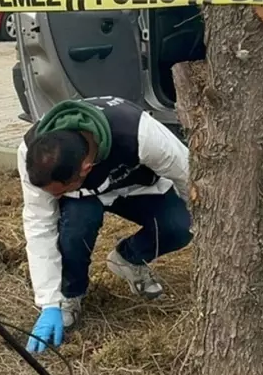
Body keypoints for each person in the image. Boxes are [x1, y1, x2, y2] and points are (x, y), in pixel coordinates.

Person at [18, 96, 193, 352]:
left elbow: (188, 177)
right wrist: (49, 302)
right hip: (83, 200)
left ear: (86, 168)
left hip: (135, 186)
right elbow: (39, 225)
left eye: (58, 192)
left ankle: (129, 259)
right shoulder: (32, 154)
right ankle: (70, 295)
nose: (52, 199)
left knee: (182, 225)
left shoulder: (139, 133)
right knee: (76, 225)